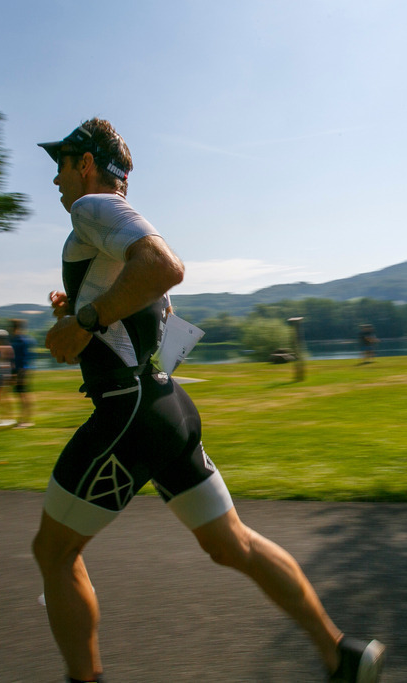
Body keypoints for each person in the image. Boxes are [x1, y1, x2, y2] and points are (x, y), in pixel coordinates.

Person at [33, 118, 386, 683]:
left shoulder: (92, 209)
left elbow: (165, 269)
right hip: (168, 408)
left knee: (53, 554)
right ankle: (340, 653)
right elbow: (150, 320)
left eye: (61, 164)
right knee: (234, 544)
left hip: (129, 414)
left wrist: (86, 319)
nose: (54, 179)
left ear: (87, 165)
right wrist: (79, 314)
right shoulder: (113, 230)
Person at [9, 318, 36, 428]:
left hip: (22, 370)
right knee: (20, 395)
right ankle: (22, 419)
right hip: (16, 370)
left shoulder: (23, 340)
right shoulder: (15, 339)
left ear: (16, 328)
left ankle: (26, 420)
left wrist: (22, 372)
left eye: (11, 327)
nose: (10, 329)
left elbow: (26, 358)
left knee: (24, 395)